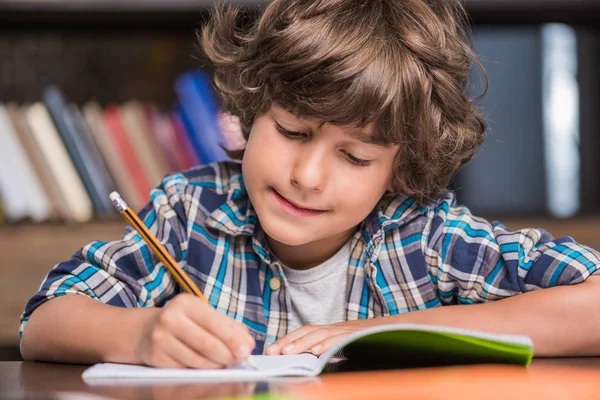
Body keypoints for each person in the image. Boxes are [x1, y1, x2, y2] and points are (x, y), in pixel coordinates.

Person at [20, 0, 600, 369]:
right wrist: (140, 334)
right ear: (250, 111)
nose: (308, 176)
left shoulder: (427, 238)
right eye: (293, 132)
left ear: (399, 167)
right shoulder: (189, 213)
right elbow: (43, 323)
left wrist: (382, 331)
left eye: (353, 155)